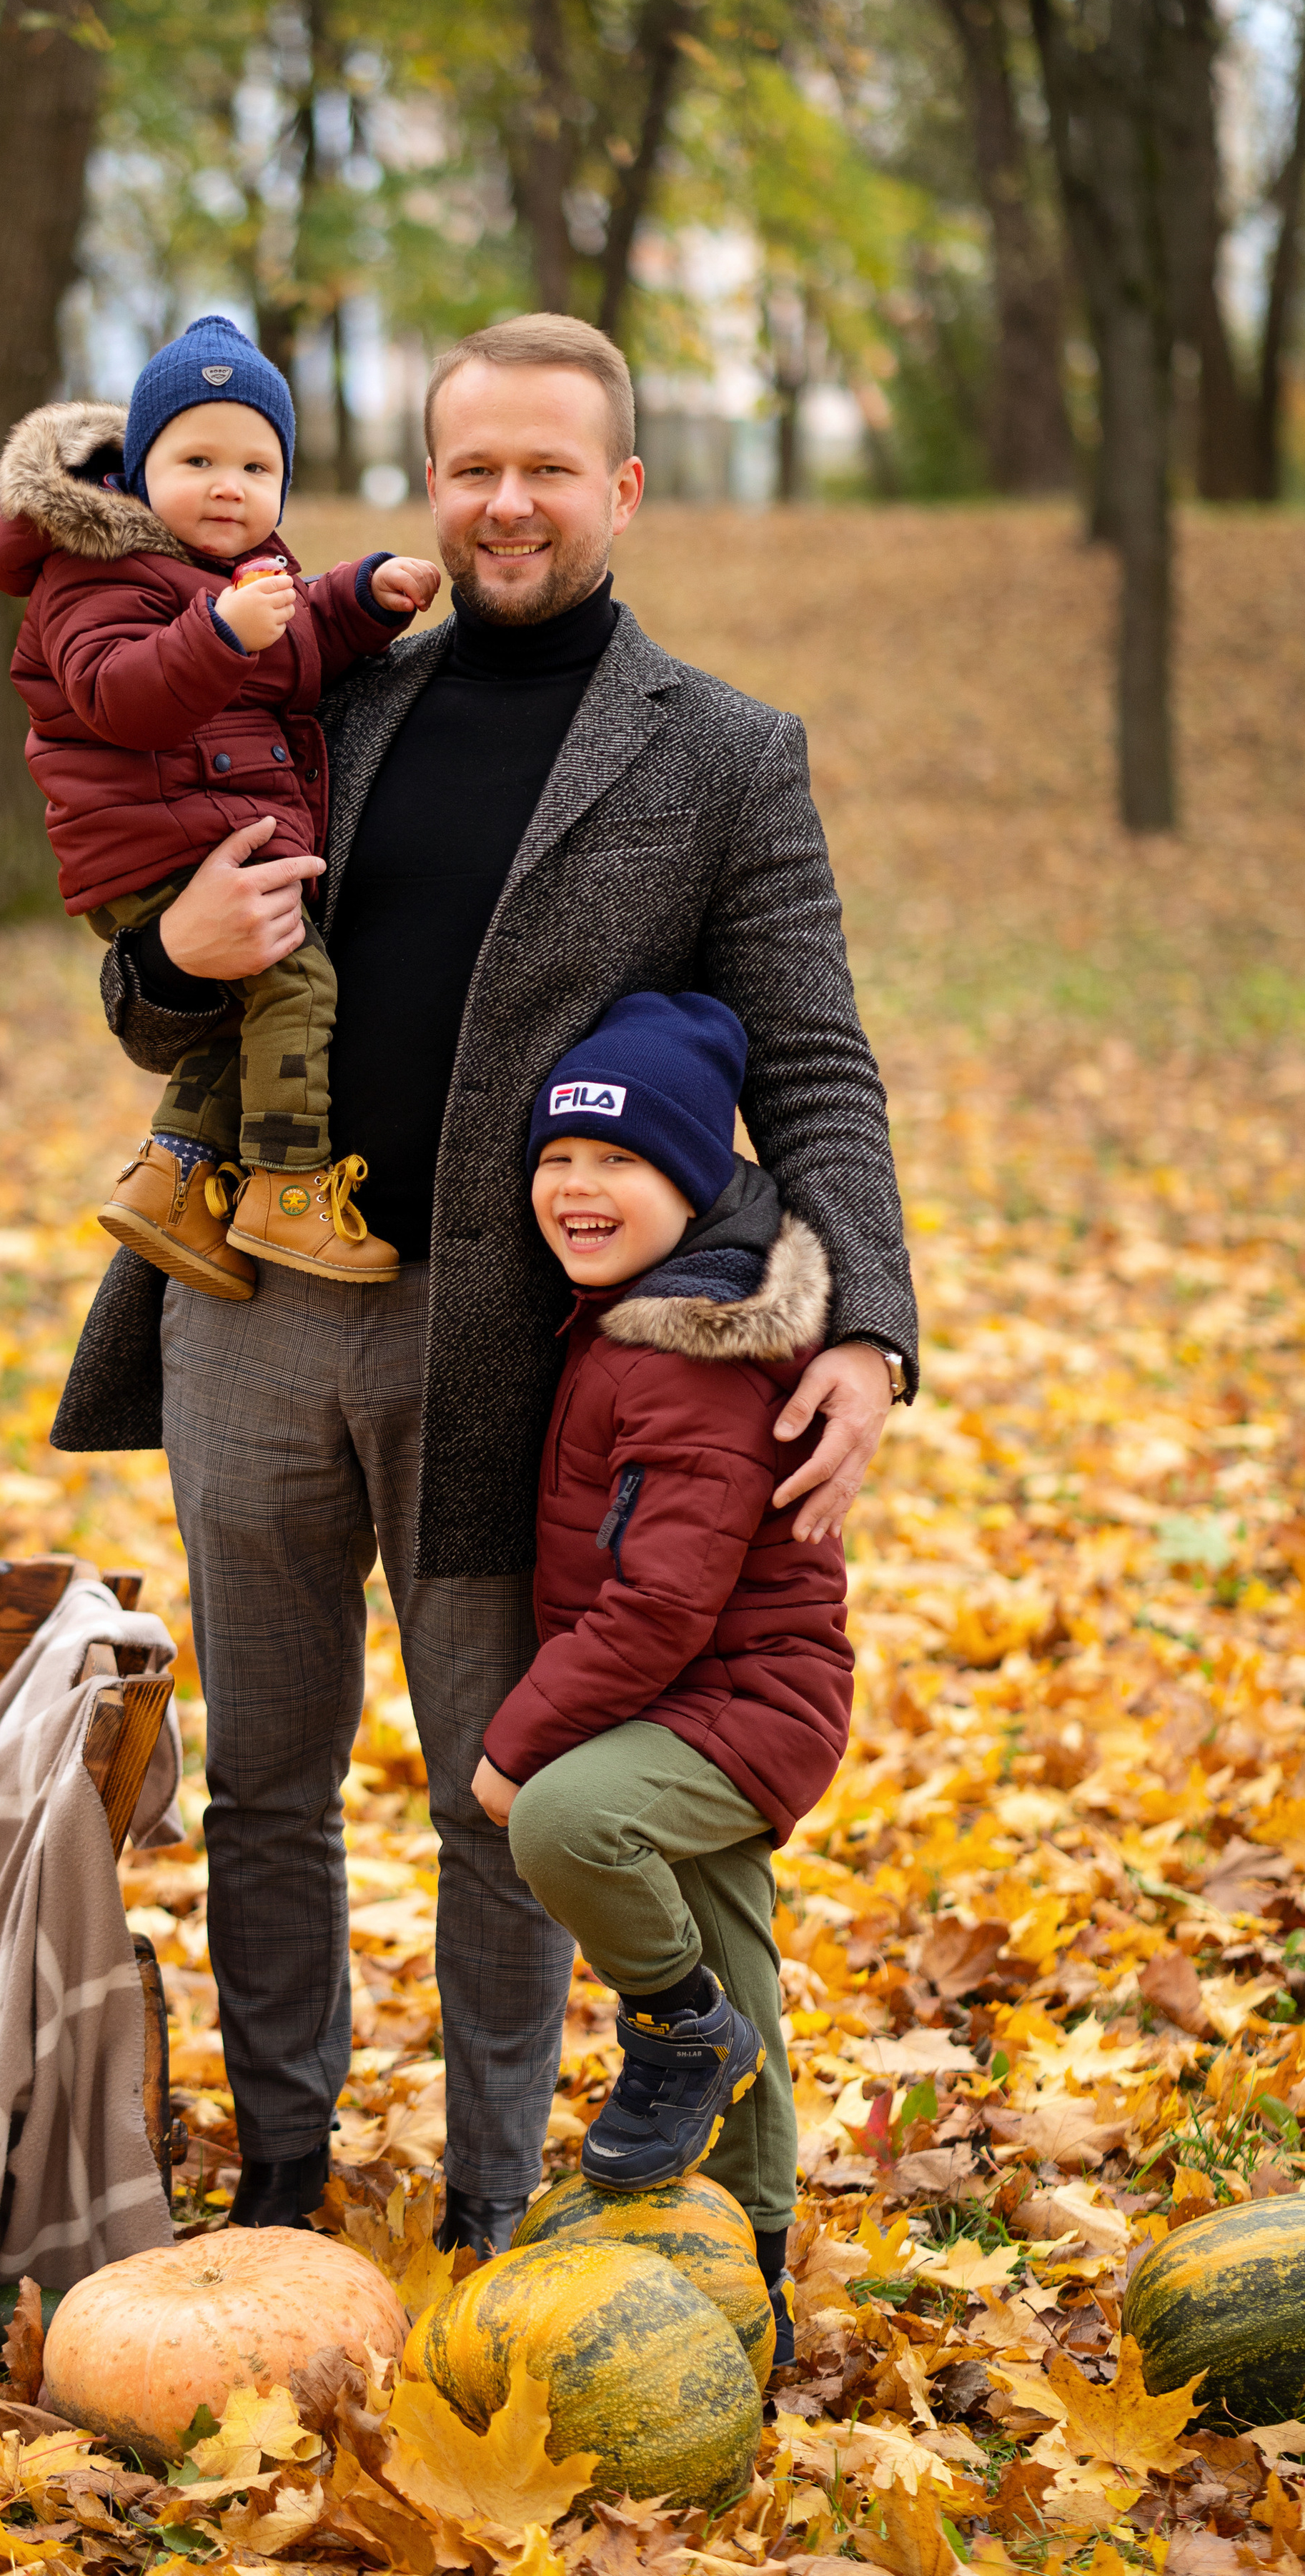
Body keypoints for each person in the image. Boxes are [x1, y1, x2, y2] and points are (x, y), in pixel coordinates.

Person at [51, 312, 917, 2260]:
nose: (505, 502)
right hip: (254, 1310)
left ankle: (491, 2202)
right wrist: (179, 950)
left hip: (514, 1353)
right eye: (471, 468)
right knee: (265, 1781)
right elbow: (145, 988)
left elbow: (817, 1060)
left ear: (619, 485)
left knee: (497, 1789)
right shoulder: (325, 700)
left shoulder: (723, 757)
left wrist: (865, 1318)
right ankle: (280, 2182)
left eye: (547, 468)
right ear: (426, 483)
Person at [470, 989, 854, 2365]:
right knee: (736, 1955)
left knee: (567, 1817)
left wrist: (516, 1746)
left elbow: (668, 1600)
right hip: (701, 1688)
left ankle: (677, 2029)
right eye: (558, 1159)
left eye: (621, 1161)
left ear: (693, 1179)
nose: (578, 1187)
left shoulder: (691, 1356)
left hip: (743, 1698)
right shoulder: (643, 1305)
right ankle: (752, 2276)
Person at [0, 312, 440, 1292]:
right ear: (139, 469)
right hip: (151, 842)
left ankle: (170, 1187)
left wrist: (361, 595)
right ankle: (285, 1186)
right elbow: (117, 696)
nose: (230, 486)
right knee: (298, 987)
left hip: (195, 828)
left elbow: (302, 634)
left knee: (248, 1016)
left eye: (257, 468)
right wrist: (220, 636)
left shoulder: (237, 575)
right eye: (197, 459)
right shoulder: (93, 571)